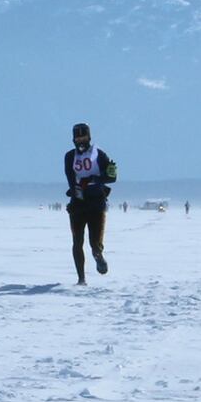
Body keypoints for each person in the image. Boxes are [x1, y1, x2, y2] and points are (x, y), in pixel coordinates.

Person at [62, 122, 117, 285]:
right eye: (77, 137)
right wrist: (76, 194)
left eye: (83, 136)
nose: (80, 140)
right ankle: (81, 279)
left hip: (97, 204)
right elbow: (71, 180)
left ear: (89, 137)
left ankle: (98, 255)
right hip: (78, 204)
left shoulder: (99, 155)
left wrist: (94, 179)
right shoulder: (69, 157)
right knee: (77, 241)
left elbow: (112, 177)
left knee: (94, 242)